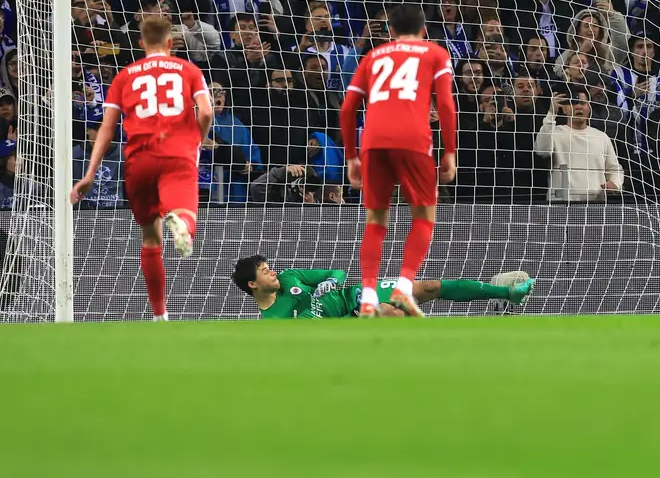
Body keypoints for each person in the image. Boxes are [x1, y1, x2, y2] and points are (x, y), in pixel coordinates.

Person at [69, 16, 213, 321]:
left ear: (140, 43)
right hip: (177, 154)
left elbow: (107, 129)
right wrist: (195, 141)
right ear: (171, 42)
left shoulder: (124, 76)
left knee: (150, 237)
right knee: (185, 214)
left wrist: (89, 174)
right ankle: (182, 223)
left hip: (139, 160)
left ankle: (159, 314)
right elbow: (207, 112)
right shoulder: (188, 70)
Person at [339, 4, 458, 318]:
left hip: (373, 143)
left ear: (390, 31)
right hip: (414, 141)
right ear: (423, 29)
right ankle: (403, 288)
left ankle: (367, 298)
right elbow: (445, 104)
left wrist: (351, 155)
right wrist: (450, 150)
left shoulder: (372, 57)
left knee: (376, 222)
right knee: (423, 217)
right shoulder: (434, 53)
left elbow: (348, 107)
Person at [230, 256, 534, 319]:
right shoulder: (274, 321)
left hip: (353, 295)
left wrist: (328, 282)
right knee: (392, 312)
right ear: (253, 285)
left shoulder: (290, 277)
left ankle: (508, 293)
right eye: (265, 272)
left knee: (426, 287)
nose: (274, 273)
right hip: (348, 322)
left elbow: (337, 270)